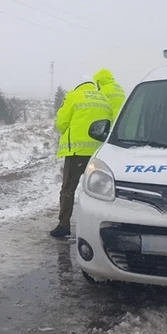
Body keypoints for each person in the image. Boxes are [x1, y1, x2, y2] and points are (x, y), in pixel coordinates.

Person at [51, 76, 112, 238]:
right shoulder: (104, 99)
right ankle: (99, 225)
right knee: (99, 190)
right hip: (98, 153)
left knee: (68, 189)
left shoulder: (73, 96)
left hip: (77, 153)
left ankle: (64, 225)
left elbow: (61, 123)